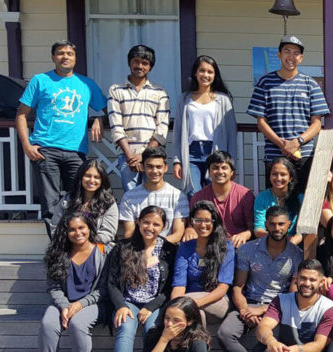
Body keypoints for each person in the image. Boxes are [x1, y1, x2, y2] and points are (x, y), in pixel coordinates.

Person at [16, 40, 106, 231]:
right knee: (51, 206)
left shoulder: (86, 83)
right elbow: (21, 115)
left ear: (75, 58)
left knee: (80, 201)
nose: (65, 57)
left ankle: (77, 245)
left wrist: (99, 118)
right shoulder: (40, 80)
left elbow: (105, 108)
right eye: (60, 53)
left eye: (69, 53)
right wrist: (26, 145)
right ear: (53, 57)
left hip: (76, 152)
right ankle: (57, 248)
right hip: (45, 150)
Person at [216, 206, 305, 352]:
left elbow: (293, 294)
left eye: (281, 224)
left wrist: (264, 309)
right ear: (265, 225)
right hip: (250, 303)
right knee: (224, 334)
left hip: (279, 307)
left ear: (289, 224)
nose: (277, 228)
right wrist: (245, 310)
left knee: (282, 340)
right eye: (272, 224)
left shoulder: (296, 255)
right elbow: (238, 286)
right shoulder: (248, 249)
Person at [34, 212, 106, 352]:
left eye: (82, 227)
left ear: (90, 228)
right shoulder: (58, 253)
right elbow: (54, 287)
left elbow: (104, 289)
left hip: (94, 303)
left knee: (78, 324)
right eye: (72, 229)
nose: (78, 233)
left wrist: (80, 305)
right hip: (63, 302)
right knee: (48, 324)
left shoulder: (103, 251)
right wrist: (65, 306)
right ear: (65, 232)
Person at [106, 206, 178, 352]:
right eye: (146, 222)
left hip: (155, 303)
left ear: (163, 227)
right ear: (138, 222)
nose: (150, 227)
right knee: (125, 328)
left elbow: (170, 288)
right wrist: (121, 305)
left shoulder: (169, 250)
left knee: (153, 329)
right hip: (128, 302)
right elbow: (111, 283)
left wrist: (150, 307)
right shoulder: (123, 247)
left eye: (156, 224)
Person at [248, 35, 330, 191]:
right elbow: (261, 121)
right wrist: (283, 144)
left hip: (304, 155)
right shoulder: (265, 82)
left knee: (303, 199)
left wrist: (297, 142)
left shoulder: (311, 84)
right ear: (279, 55)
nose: (291, 57)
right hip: (274, 154)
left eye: (296, 53)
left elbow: (317, 123)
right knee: (275, 201)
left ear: (301, 58)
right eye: (287, 51)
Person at [171, 55, 237, 197]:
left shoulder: (223, 100)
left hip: (215, 151)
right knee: (193, 193)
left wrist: (232, 163)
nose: (205, 75)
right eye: (202, 71)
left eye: (210, 72)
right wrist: (177, 161)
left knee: (213, 193)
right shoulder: (184, 99)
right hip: (191, 152)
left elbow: (232, 133)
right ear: (195, 73)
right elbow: (177, 132)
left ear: (215, 75)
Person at [107, 45, 170, 192]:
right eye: (136, 61)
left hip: (152, 155)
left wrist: (144, 155)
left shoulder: (160, 92)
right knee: (131, 196)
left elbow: (162, 127)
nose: (140, 66)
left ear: (150, 67)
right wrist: (130, 155)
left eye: (145, 63)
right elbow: (116, 125)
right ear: (129, 62)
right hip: (127, 155)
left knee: (152, 195)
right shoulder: (116, 90)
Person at [171, 201, 235, 327]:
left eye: (207, 220)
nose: (203, 225)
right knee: (197, 314)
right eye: (198, 220)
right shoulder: (185, 247)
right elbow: (179, 285)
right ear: (192, 222)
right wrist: (175, 305)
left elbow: (222, 288)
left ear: (214, 222)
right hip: (190, 303)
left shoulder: (226, 247)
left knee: (186, 306)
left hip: (218, 301)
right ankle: (200, 341)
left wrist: (192, 303)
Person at [118, 147, 188, 244]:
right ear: (142, 167)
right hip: (138, 248)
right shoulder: (129, 197)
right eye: (150, 166)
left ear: (165, 168)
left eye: (158, 167)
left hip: (167, 248)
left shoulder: (178, 196)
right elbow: (129, 234)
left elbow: (178, 234)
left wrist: (155, 247)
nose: (154, 171)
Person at [188, 150, 255, 248]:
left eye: (224, 168)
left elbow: (252, 229)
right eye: (215, 168)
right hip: (209, 246)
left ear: (232, 172)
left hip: (237, 246)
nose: (220, 172)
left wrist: (245, 234)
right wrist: (189, 231)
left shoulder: (245, 195)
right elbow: (192, 226)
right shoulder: (198, 197)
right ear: (209, 172)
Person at [50, 160, 118, 245]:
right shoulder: (67, 199)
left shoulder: (108, 202)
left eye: (96, 177)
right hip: (69, 246)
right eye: (88, 176)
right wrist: (71, 243)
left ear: (102, 180)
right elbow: (55, 227)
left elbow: (107, 233)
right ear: (81, 177)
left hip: (98, 246)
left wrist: (85, 245)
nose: (92, 180)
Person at [254, 158, 304, 247]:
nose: (278, 178)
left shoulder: (300, 198)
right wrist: (278, 240)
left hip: (294, 244)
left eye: (283, 174)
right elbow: (258, 229)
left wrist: (290, 243)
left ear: (290, 178)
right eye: (274, 174)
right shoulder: (262, 197)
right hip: (269, 244)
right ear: (269, 176)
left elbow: (304, 230)